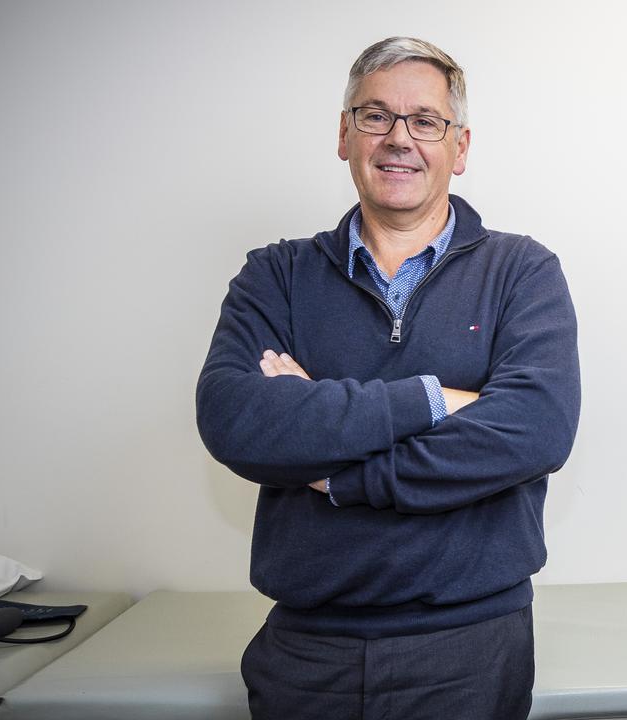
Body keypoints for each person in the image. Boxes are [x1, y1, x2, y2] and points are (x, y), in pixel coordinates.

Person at [196, 36, 580, 720]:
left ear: (459, 148)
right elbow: (233, 418)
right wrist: (434, 399)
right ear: (344, 135)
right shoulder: (276, 277)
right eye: (375, 117)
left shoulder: (522, 273)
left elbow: (534, 430)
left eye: (425, 121)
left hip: (471, 649)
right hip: (305, 653)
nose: (399, 139)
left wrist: (336, 469)